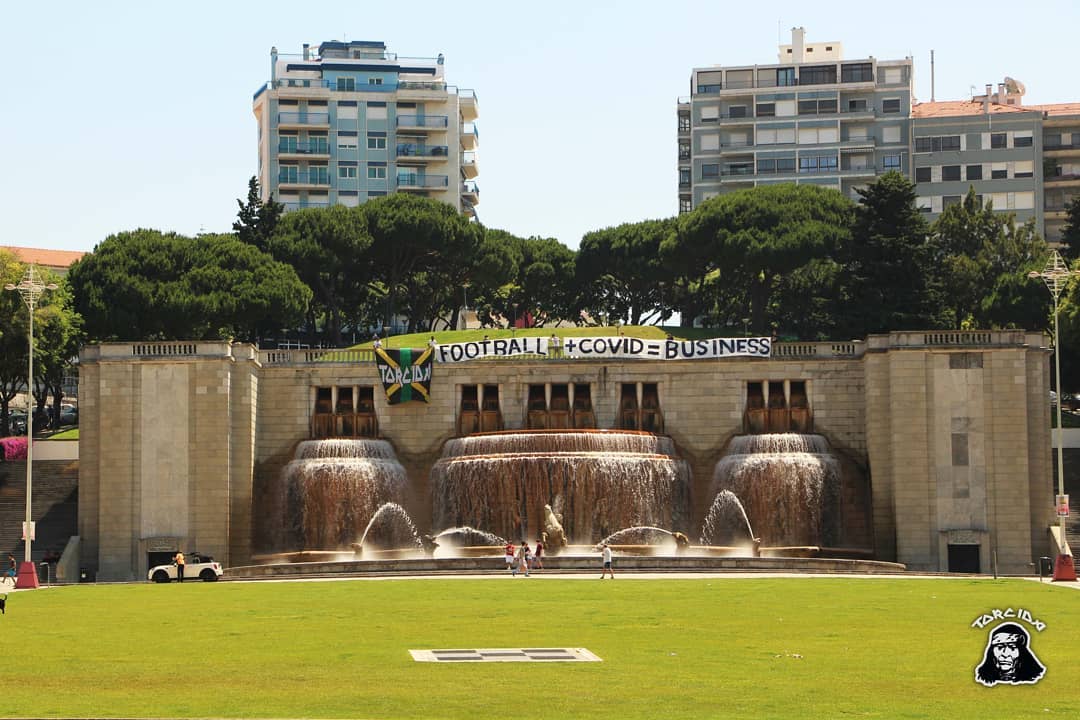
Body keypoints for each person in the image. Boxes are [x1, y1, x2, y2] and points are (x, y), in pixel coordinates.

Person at [975, 623, 1046, 686]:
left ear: (1022, 652)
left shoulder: (1037, 677)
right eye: (1000, 647)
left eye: (1012, 647)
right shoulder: (981, 677)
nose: (1005, 654)